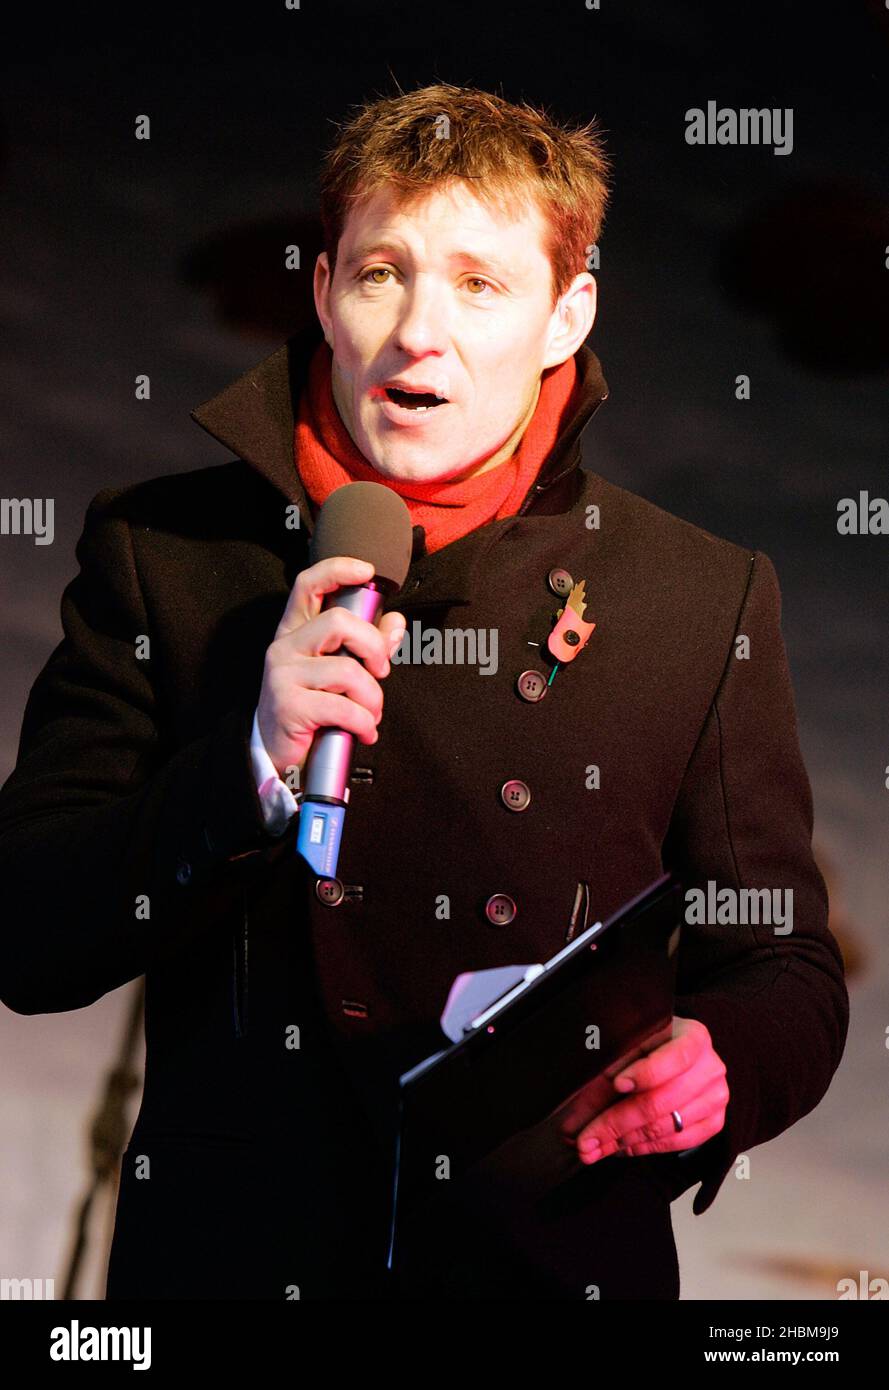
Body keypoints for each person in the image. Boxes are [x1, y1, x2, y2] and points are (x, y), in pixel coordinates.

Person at [0, 82, 848, 1301]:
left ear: (568, 316)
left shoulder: (693, 597)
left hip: (545, 1275)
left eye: (479, 285)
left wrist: (725, 1062)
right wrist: (247, 765)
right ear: (323, 292)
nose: (416, 332)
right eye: (380, 273)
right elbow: (29, 932)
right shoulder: (168, 554)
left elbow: (784, 967)